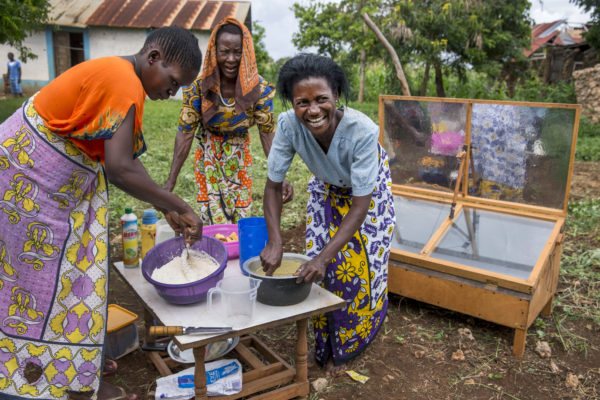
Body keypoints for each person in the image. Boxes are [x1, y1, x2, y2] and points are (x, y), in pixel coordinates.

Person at [0, 26, 203, 399]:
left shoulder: (125, 81)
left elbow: (128, 164)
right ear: (153, 58)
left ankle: (73, 370)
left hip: (44, 188)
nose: (171, 93)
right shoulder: (121, 81)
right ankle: (41, 377)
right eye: (173, 82)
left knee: (72, 277)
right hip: (26, 186)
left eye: (178, 89)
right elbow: (120, 168)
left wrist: (162, 203)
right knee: (43, 285)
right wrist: (180, 205)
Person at [260, 54, 396, 372]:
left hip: (367, 195)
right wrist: (275, 240)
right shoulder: (288, 125)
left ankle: (355, 338)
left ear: (335, 95)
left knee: (360, 267)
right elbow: (272, 187)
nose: (313, 110)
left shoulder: (361, 131)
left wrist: (325, 257)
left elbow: (361, 206)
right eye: (302, 102)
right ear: (292, 104)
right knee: (316, 265)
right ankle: (325, 337)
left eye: (321, 99)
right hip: (325, 187)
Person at [164, 17, 292, 225]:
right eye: (225, 52)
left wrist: (280, 177)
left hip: (239, 153)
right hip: (208, 153)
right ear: (215, 52)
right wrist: (171, 181)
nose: (231, 59)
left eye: (238, 52)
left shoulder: (257, 89)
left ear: (247, 53)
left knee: (239, 214)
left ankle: (236, 250)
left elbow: (267, 133)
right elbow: (185, 133)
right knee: (209, 212)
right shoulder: (200, 88)